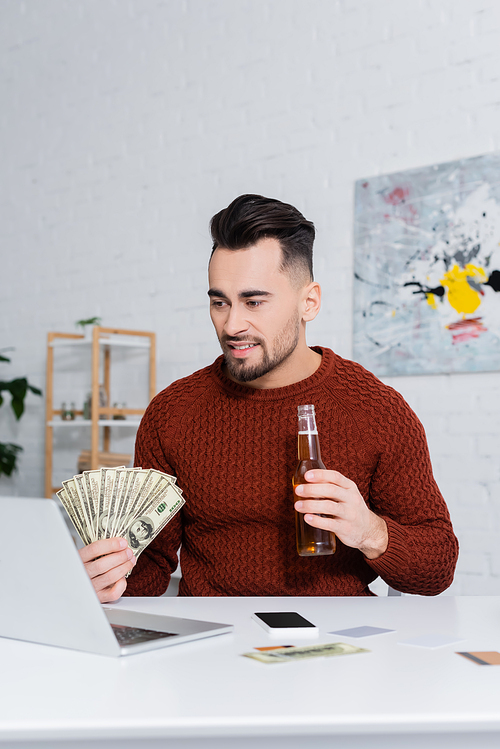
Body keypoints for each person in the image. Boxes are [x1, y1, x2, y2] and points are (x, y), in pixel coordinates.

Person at [79, 194, 459, 603]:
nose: (232, 324)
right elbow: (151, 566)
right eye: (219, 302)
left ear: (308, 302)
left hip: (338, 646)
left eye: (254, 301)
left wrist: (369, 531)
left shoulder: (376, 411)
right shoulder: (173, 414)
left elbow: (437, 569)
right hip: (213, 647)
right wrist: (107, 578)